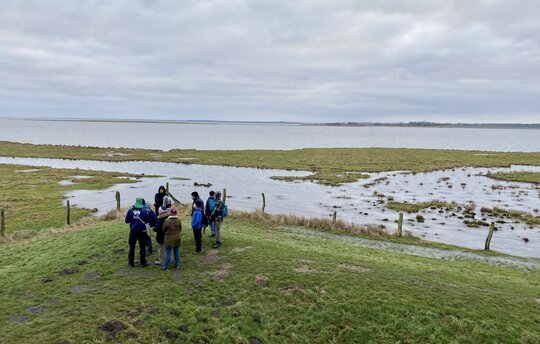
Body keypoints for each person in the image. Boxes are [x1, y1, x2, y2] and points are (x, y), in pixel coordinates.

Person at [125, 197, 156, 267]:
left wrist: (133, 220)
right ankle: (143, 262)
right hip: (142, 231)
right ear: (141, 202)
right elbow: (147, 221)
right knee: (142, 247)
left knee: (132, 247)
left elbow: (126, 221)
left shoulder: (130, 210)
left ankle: (131, 262)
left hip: (133, 231)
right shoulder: (144, 211)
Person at [154, 195, 172, 265]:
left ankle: (161, 260)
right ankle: (169, 259)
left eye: (159, 210)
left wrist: (154, 229)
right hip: (167, 235)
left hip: (161, 236)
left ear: (161, 211)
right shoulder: (168, 216)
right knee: (167, 248)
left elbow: (158, 228)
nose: (158, 211)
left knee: (160, 248)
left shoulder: (160, 218)